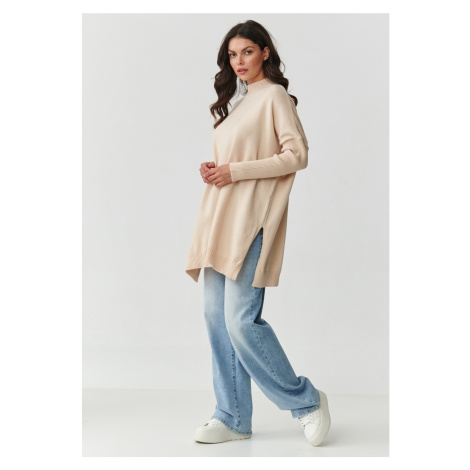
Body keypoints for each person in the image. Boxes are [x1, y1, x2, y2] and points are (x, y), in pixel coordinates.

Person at [186, 20, 331, 446]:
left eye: (247, 51)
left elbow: (296, 155)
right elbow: (240, 160)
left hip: (251, 221)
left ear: (265, 52)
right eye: (232, 55)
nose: (239, 61)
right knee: (216, 319)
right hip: (220, 218)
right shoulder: (240, 102)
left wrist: (235, 171)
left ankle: (306, 401)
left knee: (240, 320)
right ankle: (232, 416)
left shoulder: (274, 96)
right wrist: (217, 169)